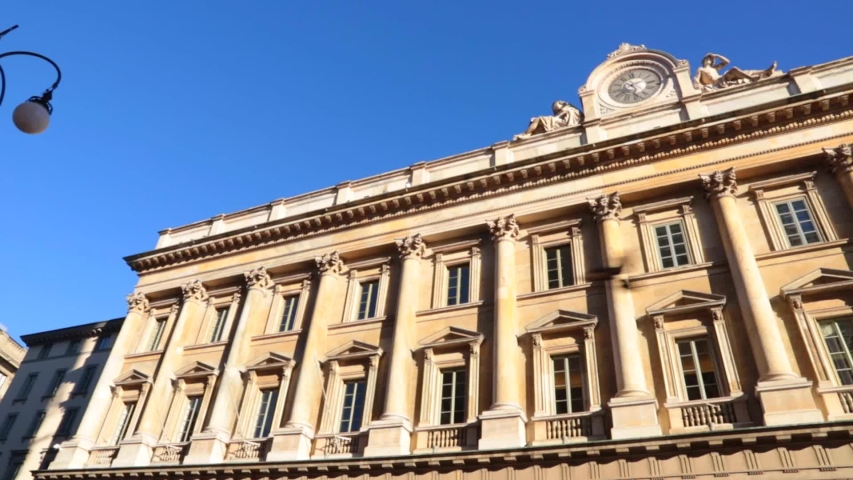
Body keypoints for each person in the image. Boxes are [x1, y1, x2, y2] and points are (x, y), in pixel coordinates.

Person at [693, 53, 778, 91]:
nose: (709, 60)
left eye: (710, 59)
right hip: (718, 83)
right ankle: (752, 79)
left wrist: (717, 56)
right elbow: (696, 81)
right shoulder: (701, 69)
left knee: (747, 71)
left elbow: (727, 62)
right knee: (734, 70)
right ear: (704, 60)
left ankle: (766, 71)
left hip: (722, 79)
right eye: (707, 59)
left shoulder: (714, 68)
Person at [514, 100, 584, 140]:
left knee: (539, 120)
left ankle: (526, 134)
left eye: (554, 107)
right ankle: (527, 133)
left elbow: (558, 118)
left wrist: (551, 119)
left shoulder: (568, 108)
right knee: (539, 121)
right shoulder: (568, 109)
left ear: (560, 103)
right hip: (562, 122)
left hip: (564, 123)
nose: (554, 109)